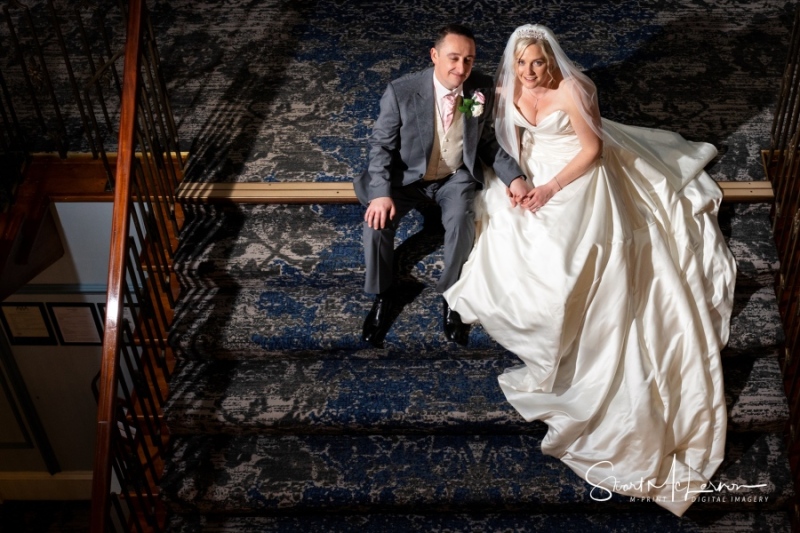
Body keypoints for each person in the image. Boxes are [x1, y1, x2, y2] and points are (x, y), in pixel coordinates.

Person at [443, 24, 736, 516]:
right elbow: (498, 133)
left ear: (551, 60)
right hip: (531, 171)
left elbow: (592, 150)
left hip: (573, 174)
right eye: (521, 64)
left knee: (570, 263)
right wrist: (515, 178)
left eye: (537, 63)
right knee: (508, 241)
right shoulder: (505, 89)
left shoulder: (575, 90)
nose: (529, 73)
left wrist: (550, 188)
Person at [355, 23, 526, 348]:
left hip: (453, 176)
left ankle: (453, 296)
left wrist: (514, 176)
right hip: (405, 178)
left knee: (463, 222)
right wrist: (379, 195)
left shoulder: (479, 89)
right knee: (375, 227)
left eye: (468, 60)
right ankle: (383, 294)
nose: (460, 68)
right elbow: (381, 147)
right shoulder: (401, 91)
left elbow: (486, 140)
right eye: (453, 58)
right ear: (434, 55)